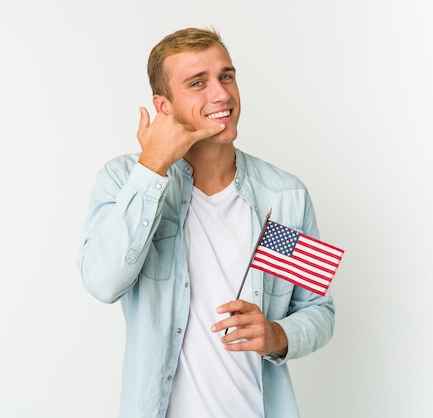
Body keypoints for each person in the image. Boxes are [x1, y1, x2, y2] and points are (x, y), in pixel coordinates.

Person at [77, 27, 335, 418]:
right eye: (198, 83)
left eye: (226, 76)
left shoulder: (283, 197)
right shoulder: (125, 180)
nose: (221, 94)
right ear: (163, 107)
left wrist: (278, 335)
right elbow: (102, 281)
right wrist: (152, 168)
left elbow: (317, 310)